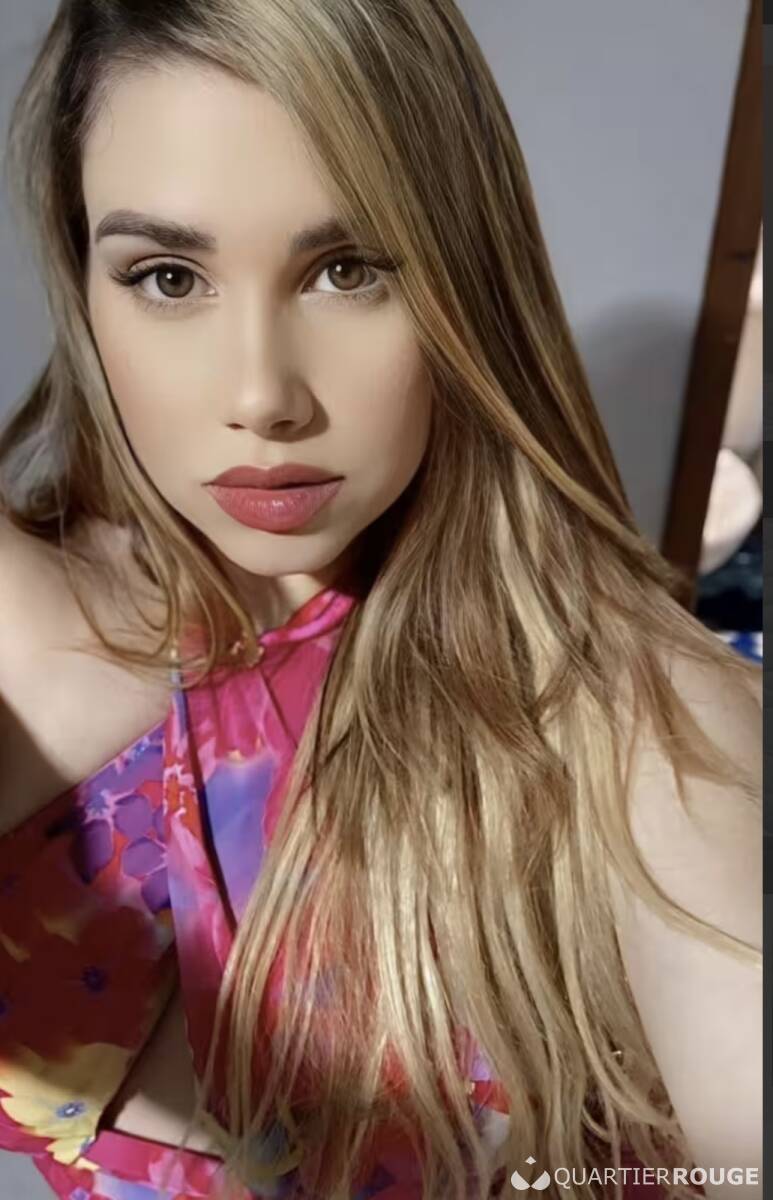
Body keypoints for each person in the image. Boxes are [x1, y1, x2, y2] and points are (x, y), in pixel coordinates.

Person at [0, 2, 761, 1199]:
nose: (263, 394)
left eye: (346, 269)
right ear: (83, 285)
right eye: (167, 276)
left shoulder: (629, 721)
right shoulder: (27, 621)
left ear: (466, 278)